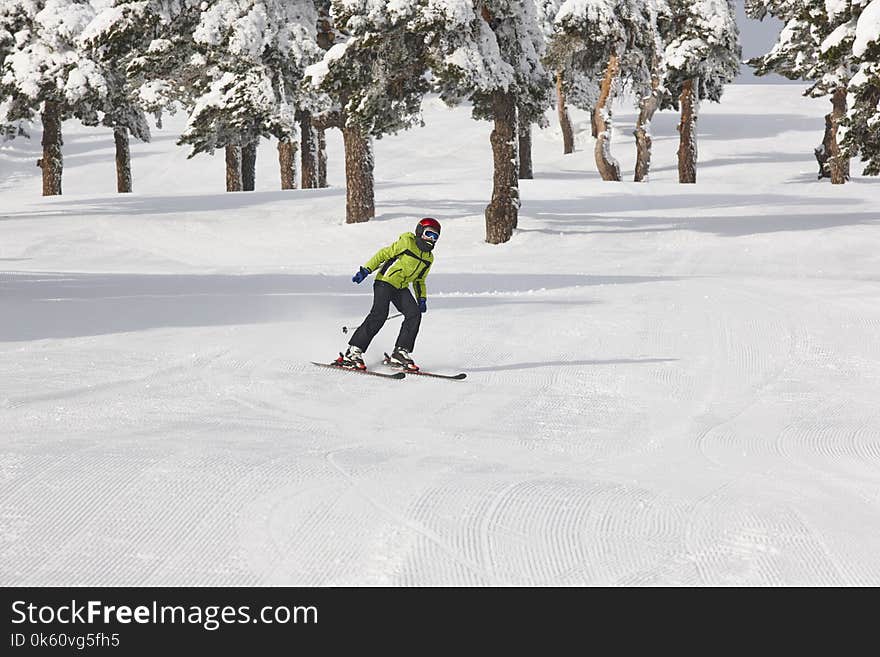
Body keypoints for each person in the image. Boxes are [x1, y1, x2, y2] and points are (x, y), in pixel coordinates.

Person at [336, 218, 441, 371]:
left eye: (435, 236)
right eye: (429, 234)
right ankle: (353, 352)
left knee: (414, 314)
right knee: (379, 314)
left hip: (401, 287)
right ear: (419, 232)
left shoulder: (428, 258)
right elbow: (383, 254)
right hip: (385, 282)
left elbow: (419, 280)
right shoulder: (406, 243)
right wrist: (366, 270)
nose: (431, 239)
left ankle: (400, 352)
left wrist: (422, 299)